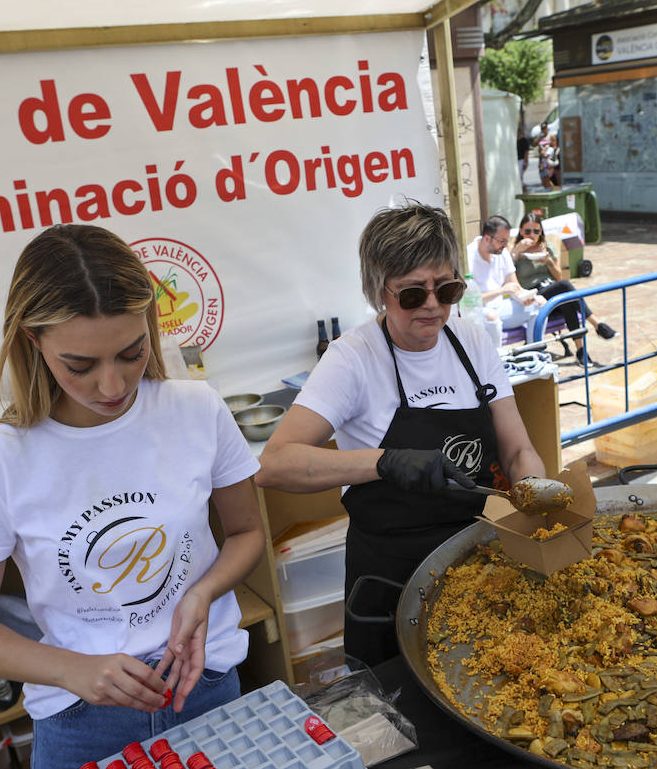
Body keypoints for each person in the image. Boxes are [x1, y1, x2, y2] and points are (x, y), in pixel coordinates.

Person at [0, 224, 265, 769]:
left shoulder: (195, 409)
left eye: (132, 352)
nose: (112, 384)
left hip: (206, 683)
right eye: (80, 364)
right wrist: (72, 669)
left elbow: (245, 533)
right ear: (33, 340)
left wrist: (202, 592)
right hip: (82, 719)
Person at [256, 202, 545, 667]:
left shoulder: (471, 341)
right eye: (412, 294)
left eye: (447, 289)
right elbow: (273, 464)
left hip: (481, 558)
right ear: (378, 293)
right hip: (394, 575)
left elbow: (518, 449)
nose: (433, 305)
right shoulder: (352, 359)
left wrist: (534, 495)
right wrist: (382, 462)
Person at [470, 216, 593, 365]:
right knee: (492, 316)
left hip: (502, 307)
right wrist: (501, 291)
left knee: (540, 304)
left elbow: (514, 286)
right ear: (487, 238)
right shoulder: (469, 256)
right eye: (502, 241)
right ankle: (497, 364)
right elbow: (470, 300)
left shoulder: (501, 252)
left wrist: (526, 297)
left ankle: (533, 355)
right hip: (477, 312)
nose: (505, 245)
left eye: (506, 241)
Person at [511, 213, 615, 341]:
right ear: (521, 231)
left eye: (536, 231)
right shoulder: (514, 250)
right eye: (527, 231)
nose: (532, 235)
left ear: (541, 231)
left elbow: (559, 276)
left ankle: (581, 350)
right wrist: (517, 251)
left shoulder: (547, 247)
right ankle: (597, 324)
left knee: (566, 300)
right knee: (565, 287)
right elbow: (506, 272)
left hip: (551, 291)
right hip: (533, 296)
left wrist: (548, 261)